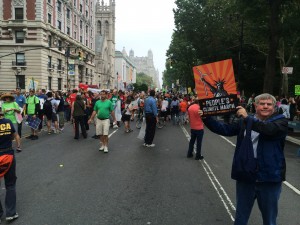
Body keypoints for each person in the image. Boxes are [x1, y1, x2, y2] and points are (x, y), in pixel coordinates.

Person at [200, 93, 288, 225]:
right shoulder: (245, 121)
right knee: (241, 217)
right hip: (246, 175)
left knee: (269, 219)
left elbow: (268, 130)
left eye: (269, 104)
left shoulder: (280, 122)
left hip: (269, 178)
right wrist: (207, 118)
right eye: (262, 103)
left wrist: (248, 118)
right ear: (255, 105)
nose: (265, 106)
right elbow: (225, 129)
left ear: (274, 107)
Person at [0, 109, 20, 222]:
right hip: (8, 154)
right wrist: (18, 146)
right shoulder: (8, 122)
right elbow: (15, 136)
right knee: (10, 184)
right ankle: (11, 213)